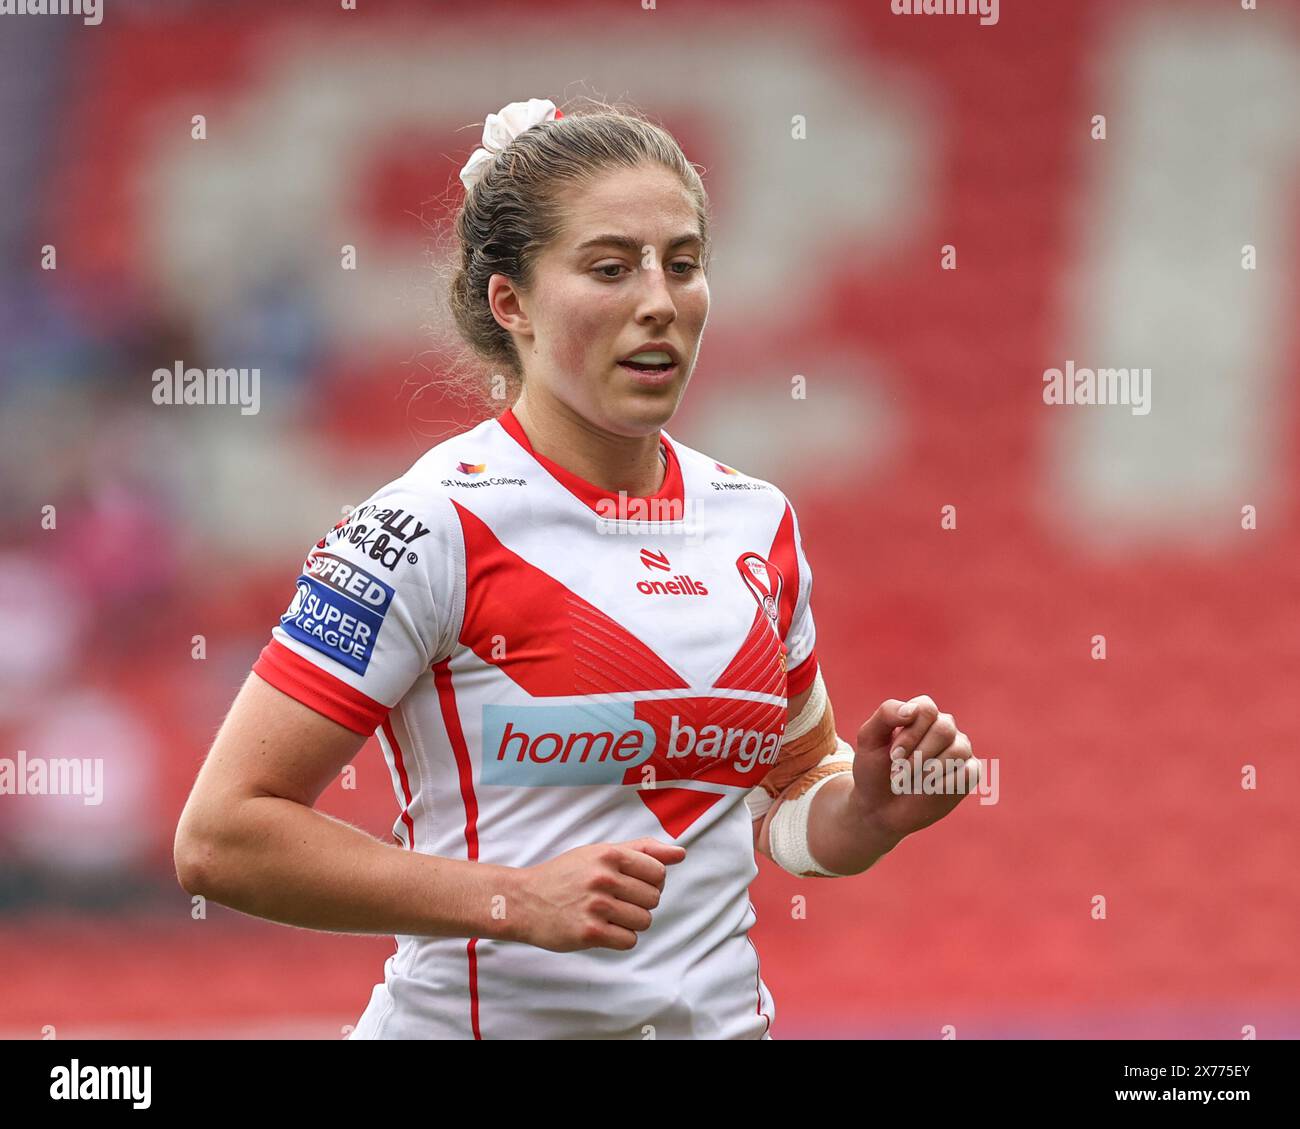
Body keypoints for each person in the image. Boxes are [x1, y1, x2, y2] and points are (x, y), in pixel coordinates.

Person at [173, 96, 980, 1040]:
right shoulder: (426, 525)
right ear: (509, 301)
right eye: (610, 267)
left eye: (683, 264)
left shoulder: (758, 521)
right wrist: (512, 900)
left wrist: (874, 809)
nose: (658, 300)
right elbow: (221, 836)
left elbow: (794, 803)